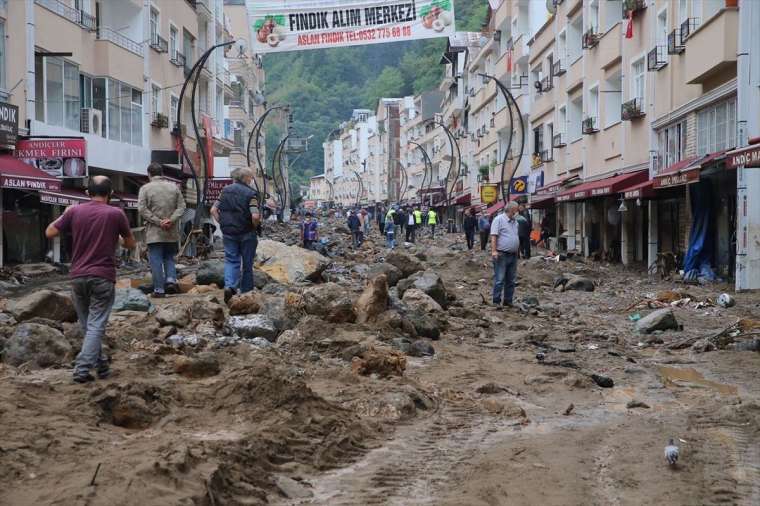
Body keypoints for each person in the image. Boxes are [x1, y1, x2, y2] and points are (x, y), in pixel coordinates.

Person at [45, 176, 136, 383]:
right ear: (110, 194)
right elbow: (130, 245)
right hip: (103, 277)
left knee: (88, 325)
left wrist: (66, 213)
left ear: (87, 193)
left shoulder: (75, 211)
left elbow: (49, 232)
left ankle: (101, 365)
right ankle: (82, 369)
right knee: (95, 326)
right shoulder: (116, 213)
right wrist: (119, 238)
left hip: (77, 276)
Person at [210, 167, 261, 303]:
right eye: (250, 177)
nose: (251, 180)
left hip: (228, 232)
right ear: (245, 178)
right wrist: (254, 226)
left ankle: (230, 287)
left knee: (231, 260)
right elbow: (255, 215)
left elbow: (213, 210)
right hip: (246, 232)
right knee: (247, 264)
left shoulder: (225, 191)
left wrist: (223, 223)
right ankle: (246, 293)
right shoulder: (251, 194)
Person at [137, 162, 186, 298]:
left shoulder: (145, 189)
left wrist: (158, 222)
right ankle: (171, 280)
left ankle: (159, 289)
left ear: (149, 174)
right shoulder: (174, 187)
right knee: (169, 257)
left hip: (154, 232)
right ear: (162, 173)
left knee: (156, 260)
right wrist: (170, 219)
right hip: (171, 230)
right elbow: (182, 207)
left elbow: (142, 209)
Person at [490, 201, 520, 307]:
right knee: (500, 279)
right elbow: (494, 236)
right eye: (517, 210)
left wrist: (517, 250)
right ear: (511, 210)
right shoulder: (499, 220)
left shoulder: (515, 222)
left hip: (513, 254)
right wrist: (494, 251)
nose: (518, 212)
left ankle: (508, 301)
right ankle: (496, 301)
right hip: (501, 254)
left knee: (511, 280)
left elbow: (514, 236)